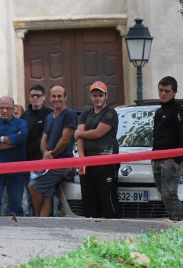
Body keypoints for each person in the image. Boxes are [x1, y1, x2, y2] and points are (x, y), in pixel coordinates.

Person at [27, 85, 76, 217]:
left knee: (33, 186)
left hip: (62, 163)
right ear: (49, 98)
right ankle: (44, 222)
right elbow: (44, 140)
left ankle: (38, 217)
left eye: (59, 96)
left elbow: (65, 139)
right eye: (53, 96)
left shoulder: (69, 114)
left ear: (65, 97)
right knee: (47, 194)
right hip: (50, 162)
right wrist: (45, 154)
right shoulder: (49, 117)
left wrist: (51, 155)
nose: (56, 99)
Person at [75, 81, 119, 218]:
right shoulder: (85, 113)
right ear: (91, 96)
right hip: (88, 160)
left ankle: (113, 226)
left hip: (106, 160)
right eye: (95, 95)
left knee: (107, 197)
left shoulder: (110, 113)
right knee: (88, 197)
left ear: (106, 96)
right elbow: (79, 139)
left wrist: (80, 133)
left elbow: (98, 133)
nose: (97, 98)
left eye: (100, 95)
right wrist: (81, 159)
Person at [151, 75, 183, 221]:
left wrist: (178, 159)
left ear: (174, 92)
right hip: (157, 158)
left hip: (171, 159)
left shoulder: (180, 111)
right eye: (160, 90)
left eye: (167, 91)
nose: (163, 93)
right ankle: (173, 220)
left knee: (169, 193)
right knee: (163, 193)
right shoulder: (159, 112)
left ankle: (179, 223)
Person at [0, 96, 28, 216]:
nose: (4, 111)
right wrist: (13, 143)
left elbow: (22, 137)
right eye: (1, 108)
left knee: (16, 202)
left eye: (7, 108)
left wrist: (1, 139)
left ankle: (17, 228)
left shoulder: (21, 123)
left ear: (13, 109)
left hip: (16, 170)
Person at [22, 84, 52, 214]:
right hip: (27, 161)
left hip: (45, 161)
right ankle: (34, 220)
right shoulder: (24, 116)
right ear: (29, 97)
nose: (35, 98)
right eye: (32, 95)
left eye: (38, 95)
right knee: (30, 194)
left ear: (44, 97)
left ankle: (46, 220)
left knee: (46, 194)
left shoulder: (50, 114)